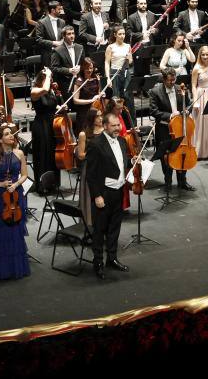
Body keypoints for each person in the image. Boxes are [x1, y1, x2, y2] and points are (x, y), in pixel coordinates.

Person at [0, 125, 31, 281]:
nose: (11, 136)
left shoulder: (20, 153)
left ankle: (15, 267)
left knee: (14, 233)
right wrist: (1, 184)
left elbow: (24, 175)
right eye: (7, 134)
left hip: (15, 196)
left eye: (11, 133)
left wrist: (16, 185)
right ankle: (2, 269)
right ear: (0, 139)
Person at [86, 111, 132, 280]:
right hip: (104, 194)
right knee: (99, 231)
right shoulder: (95, 144)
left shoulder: (121, 141)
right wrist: (97, 196)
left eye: (118, 125)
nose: (117, 128)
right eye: (113, 126)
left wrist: (134, 163)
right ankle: (97, 262)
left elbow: (121, 163)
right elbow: (90, 175)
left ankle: (112, 258)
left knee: (114, 228)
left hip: (118, 192)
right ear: (105, 126)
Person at [149, 68, 196, 192]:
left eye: (174, 79)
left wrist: (187, 110)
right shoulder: (155, 92)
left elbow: (189, 103)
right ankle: (168, 182)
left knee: (183, 152)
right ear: (164, 79)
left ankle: (182, 181)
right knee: (166, 156)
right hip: (165, 129)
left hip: (180, 128)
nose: (172, 82)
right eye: (169, 80)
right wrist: (170, 116)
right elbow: (154, 111)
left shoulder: (180, 88)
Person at [30, 67, 59, 190]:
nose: (51, 80)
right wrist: (48, 75)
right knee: (43, 153)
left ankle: (53, 183)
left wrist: (59, 107)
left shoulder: (51, 91)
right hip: (41, 125)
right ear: (42, 78)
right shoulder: (35, 91)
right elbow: (45, 89)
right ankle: (42, 185)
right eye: (49, 78)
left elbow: (52, 105)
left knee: (53, 153)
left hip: (52, 124)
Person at [76, 108, 104, 227]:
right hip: (90, 168)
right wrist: (93, 153)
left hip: (103, 167)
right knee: (89, 197)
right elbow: (80, 155)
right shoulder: (84, 134)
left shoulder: (105, 131)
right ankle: (89, 225)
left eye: (101, 116)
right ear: (92, 118)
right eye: (98, 116)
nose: (100, 118)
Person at [191, 45, 208, 159]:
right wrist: (195, 101)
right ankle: (199, 151)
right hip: (201, 95)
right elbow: (193, 85)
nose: (205, 57)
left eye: (207, 54)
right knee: (200, 123)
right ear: (200, 55)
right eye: (203, 54)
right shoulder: (196, 68)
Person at [71, 57, 104, 136]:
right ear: (82, 69)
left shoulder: (96, 78)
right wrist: (91, 101)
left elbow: (99, 93)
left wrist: (101, 95)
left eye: (91, 68)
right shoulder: (79, 81)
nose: (89, 70)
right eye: (87, 68)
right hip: (84, 113)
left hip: (95, 111)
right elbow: (75, 100)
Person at [127, 0, 158, 76]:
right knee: (138, 69)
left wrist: (155, 31)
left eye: (145, 3)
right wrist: (142, 35)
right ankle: (138, 86)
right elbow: (129, 33)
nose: (143, 5)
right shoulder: (132, 17)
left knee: (147, 68)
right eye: (141, 4)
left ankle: (146, 87)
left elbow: (157, 29)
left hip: (149, 45)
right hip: (138, 46)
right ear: (137, 5)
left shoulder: (151, 15)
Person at [50, 25, 84, 93]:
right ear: (63, 36)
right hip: (65, 82)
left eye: (73, 33)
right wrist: (69, 70)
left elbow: (83, 63)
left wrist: (80, 67)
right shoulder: (57, 50)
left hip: (79, 80)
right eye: (69, 34)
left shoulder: (80, 47)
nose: (72, 36)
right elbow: (54, 68)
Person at [104, 25, 133, 106]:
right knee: (116, 98)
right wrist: (108, 78)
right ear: (115, 35)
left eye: (123, 34)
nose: (122, 36)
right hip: (115, 74)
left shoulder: (128, 46)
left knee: (127, 97)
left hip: (126, 74)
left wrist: (129, 58)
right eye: (120, 34)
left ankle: (128, 117)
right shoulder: (110, 47)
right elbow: (107, 63)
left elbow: (130, 62)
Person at [35, 1, 67, 66]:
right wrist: (53, 43)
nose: (60, 11)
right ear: (53, 10)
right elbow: (39, 40)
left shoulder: (62, 22)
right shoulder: (41, 22)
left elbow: (64, 36)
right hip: (48, 54)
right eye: (59, 9)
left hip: (60, 53)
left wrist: (63, 40)